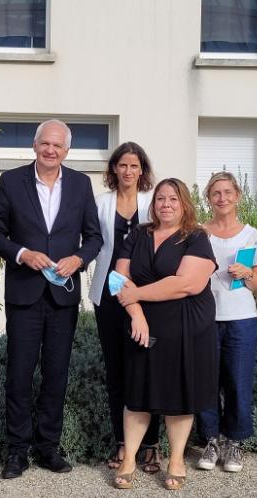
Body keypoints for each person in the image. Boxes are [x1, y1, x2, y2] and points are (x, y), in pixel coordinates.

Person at [0, 119, 102, 479]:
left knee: (56, 374)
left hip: (62, 295)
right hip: (25, 293)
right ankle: (17, 451)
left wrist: (79, 259)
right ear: (35, 146)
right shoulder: (12, 181)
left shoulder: (81, 184)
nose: (51, 150)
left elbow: (94, 238)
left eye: (57, 145)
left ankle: (48, 447)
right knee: (19, 374)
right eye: (45, 143)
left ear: (67, 150)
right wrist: (22, 253)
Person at [114, 178, 218, 490]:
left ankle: (176, 459)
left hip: (186, 326)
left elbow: (186, 284)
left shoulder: (196, 236)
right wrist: (136, 314)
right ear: (153, 203)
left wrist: (136, 294)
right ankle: (129, 460)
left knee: (179, 395)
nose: (166, 204)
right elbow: (118, 279)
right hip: (141, 324)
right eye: (161, 198)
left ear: (184, 203)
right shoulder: (138, 234)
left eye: (173, 199)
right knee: (137, 394)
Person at [89, 142, 161, 473]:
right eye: (123, 165)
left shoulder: (154, 201)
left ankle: (151, 445)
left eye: (134, 165)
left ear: (142, 170)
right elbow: (91, 242)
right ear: (114, 169)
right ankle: (122, 441)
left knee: (148, 369)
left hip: (146, 293)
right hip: (109, 295)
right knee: (116, 371)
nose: (128, 171)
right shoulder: (101, 203)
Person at [195, 172, 257, 473]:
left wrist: (247, 273)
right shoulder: (199, 233)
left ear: (237, 195)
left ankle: (234, 442)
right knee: (206, 382)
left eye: (227, 192)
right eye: (216, 193)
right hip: (205, 318)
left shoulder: (251, 234)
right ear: (208, 199)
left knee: (238, 382)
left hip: (241, 318)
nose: (222, 198)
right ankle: (211, 440)